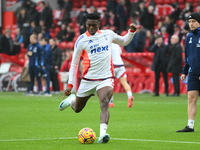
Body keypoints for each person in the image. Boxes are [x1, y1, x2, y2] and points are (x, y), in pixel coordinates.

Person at [58, 13, 137, 143]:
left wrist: (131, 32)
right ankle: (71, 100)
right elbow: (74, 63)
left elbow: (123, 41)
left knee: (105, 102)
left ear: (99, 24)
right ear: (86, 25)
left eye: (94, 25)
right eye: (89, 25)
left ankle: (102, 135)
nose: (91, 28)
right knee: (77, 109)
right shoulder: (81, 40)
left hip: (105, 78)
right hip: (88, 80)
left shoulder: (108, 34)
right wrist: (70, 85)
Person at [177, 12, 200, 132]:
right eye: (190, 22)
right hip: (193, 73)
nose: (191, 24)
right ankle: (190, 125)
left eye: (193, 22)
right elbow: (187, 56)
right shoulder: (189, 37)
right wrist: (184, 71)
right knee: (191, 98)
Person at [109, 43, 134, 108]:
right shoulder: (117, 45)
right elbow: (119, 53)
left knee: (110, 84)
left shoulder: (107, 45)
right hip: (120, 65)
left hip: (112, 66)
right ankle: (130, 96)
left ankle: (111, 102)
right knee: (125, 83)